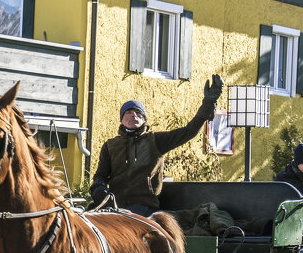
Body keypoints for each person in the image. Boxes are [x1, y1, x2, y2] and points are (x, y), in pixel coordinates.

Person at [89, 74, 223, 216]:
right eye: (128, 112)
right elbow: (101, 175)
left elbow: (188, 131)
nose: (133, 115)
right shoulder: (110, 146)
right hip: (115, 205)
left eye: (138, 113)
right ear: (121, 119)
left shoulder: (155, 140)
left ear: (144, 119)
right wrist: (99, 187)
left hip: (143, 207)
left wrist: (209, 102)